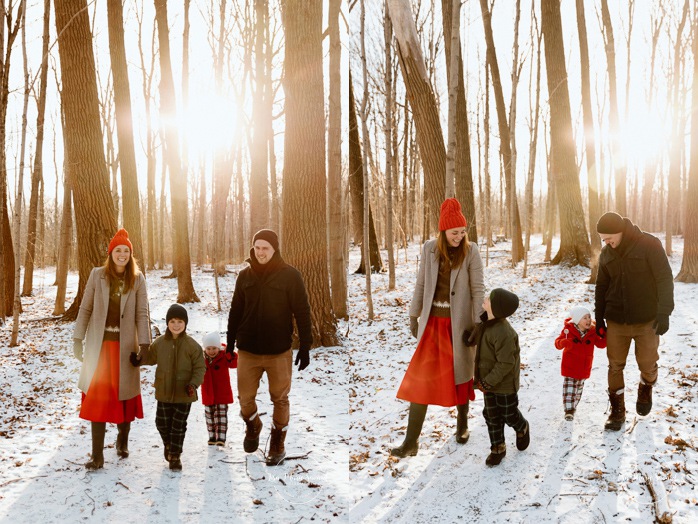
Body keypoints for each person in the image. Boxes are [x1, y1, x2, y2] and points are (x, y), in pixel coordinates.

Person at [391, 198, 485, 458]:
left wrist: (479, 323)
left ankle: (463, 424)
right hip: (433, 325)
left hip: (459, 326)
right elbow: (421, 284)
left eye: (463, 232)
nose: (460, 237)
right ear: (443, 231)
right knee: (420, 379)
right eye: (455, 233)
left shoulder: (472, 251)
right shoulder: (430, 249)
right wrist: (414, 314)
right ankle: (411, 441)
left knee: (461, 374)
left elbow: (478, 289)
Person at [227, 229, 312, 466]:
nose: (261, 252)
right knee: (245, 399)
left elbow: (302, 312)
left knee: (280, 398)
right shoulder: (244, 276)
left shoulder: (290, 276)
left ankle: (277, 444)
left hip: (279, 350)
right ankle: (253, 425)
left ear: (274, 249)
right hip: (248, 350)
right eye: (257, 247)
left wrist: (305, 346)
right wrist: (230, 342)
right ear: (252, 248)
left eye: (266, 247)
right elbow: (235, 311)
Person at [72, 228, 150, 471]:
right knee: (98, 399)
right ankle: (97, 456)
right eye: (118, 250)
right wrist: (77, 339)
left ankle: (122, 440)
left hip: (125, 347)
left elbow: (142, 313)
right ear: (111, 253)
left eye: (126, 251)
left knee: (124, 397)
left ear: (130, 255)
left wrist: (145, 344)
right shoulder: (97, 276)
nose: (122, 254)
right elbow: (85, 309)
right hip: (100, 348)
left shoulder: (138, 279)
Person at [595, 212, 674, 431]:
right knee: (614, 365)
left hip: (647, 320)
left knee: (648, 363)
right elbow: (601, 287)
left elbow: (664, 278)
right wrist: (599, 318)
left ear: (620, 231)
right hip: (617, 320)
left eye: (608, 237)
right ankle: (617, 411)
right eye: (603, 239)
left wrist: (664, 312)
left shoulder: (649, 244)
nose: (607, 242)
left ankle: (646, 386)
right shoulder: (606, 253)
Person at [130, 304, 206, 471]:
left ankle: (175, 456)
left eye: (180, 321)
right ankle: (169, 445)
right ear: (167, 323)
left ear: (185, 323)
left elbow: (200, 368)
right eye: (172, 321)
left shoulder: (192, 346)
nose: (176, 325)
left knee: (178, 425)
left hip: (185, 392)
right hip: (164, 390)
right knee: (161, 423)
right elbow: (150, 357)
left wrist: (193, 384)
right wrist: (139, 360)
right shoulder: (160, 343)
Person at [473, 288, 529, 467]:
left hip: (503, 384)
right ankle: (497, 447)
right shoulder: (487, 322)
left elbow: (506, 363)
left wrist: (487, 381)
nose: (485, 298)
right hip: (488, 382)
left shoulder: (503, 332)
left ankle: (522, 426)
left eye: (489, 299)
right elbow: (481, 338)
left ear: (496, 308)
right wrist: (470, 339)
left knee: (508, 413)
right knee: (491, 415)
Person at [554, 306, 607, 421]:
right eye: (585, 318)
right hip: (570, 365)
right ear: (577, 321)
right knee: (569, 388)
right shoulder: (568, 331)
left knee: (578, 390)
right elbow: (557, 343)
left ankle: (573, 406)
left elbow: (601, 344)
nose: (588, 320)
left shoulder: (592, 332)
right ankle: (568, 410)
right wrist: (564, 342)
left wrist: (604, 335)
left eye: (589, 317)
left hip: (584, 366)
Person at [201, 331, 237, 446]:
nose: (211, 351)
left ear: (218, 347)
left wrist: (228, 351)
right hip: (207, 392)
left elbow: (234, 363)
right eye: (209, 348)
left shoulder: (224, 357)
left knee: (221, 416)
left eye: (214, 348)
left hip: (222, 392)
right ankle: (212, 437)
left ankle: (221, 438)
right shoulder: (201, 359)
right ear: (205, 349)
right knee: (209, 416)